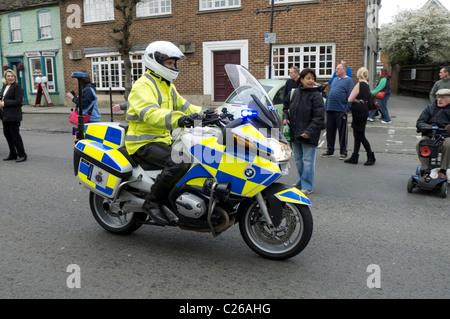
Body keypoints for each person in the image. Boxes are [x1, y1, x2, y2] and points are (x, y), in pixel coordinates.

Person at [125, 41, 206, 226]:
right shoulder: (143, 86)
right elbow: (151, 114)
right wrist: (180, 119)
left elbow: (186, 106)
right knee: (181, 161)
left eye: (174, 63)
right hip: (142, 142)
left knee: (199, 153)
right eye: (170, 63)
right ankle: (152, 202)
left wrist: (207, 113)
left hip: (163, 139)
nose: (173, 67)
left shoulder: (166, 85)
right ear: (155, 61)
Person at [283, 69, 324, 195]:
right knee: (298, 160)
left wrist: (309, 131)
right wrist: (285, 117)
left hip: (308, 133)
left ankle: (307, 186)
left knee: (308, 161)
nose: (311, 81)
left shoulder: (316, 95)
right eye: (308, 78)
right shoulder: (294, 92)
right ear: (301, 79)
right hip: (295, 132)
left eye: (313, 78)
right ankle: (301, 180)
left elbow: (319, 117)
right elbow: (286, 107)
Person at [321, 63, 354, 160]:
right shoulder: (335, 79)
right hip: (330, 109)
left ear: (344, 70)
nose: (336, 70)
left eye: (338, 69)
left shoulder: (349, 80)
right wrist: (326, 107)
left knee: (342, 132)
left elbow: (351, 95)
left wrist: (347, 109)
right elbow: (330, 93)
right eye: (336, 68)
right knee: (330, 131)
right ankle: (330, 150)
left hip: (341, 110)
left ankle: (343, 152)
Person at [416, 89, 450, 180]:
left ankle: (443, 171)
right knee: (420, 142)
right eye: (438, 97)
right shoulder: (430, 108)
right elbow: (420, 122)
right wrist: (425, 126)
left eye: (443, 98)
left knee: (449, 143)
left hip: (446, 136)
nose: (439, 100)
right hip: (430, 135)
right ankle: (425, 170)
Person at [345, 67, 375, 166]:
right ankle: (354, 156)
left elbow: (349, 99)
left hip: (358, 110)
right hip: (363, 109)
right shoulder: (367, 84)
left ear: (359, 74)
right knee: (357, 134)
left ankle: (371, 156)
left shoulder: (359, 84)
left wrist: (356, 100)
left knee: (360, 135)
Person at [0, 69, 27, 163]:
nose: (10, 78)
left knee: (15, 136)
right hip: (5, 116)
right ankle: (13, 153)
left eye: (12, 76)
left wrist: (4, 103)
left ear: (15, 77)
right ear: (5, 78)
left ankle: (22, 154)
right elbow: (3, 97)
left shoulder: (17, 87)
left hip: (13, 116)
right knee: (7, 135)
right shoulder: (4, 87)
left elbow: (19, 101)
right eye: (8, 76)